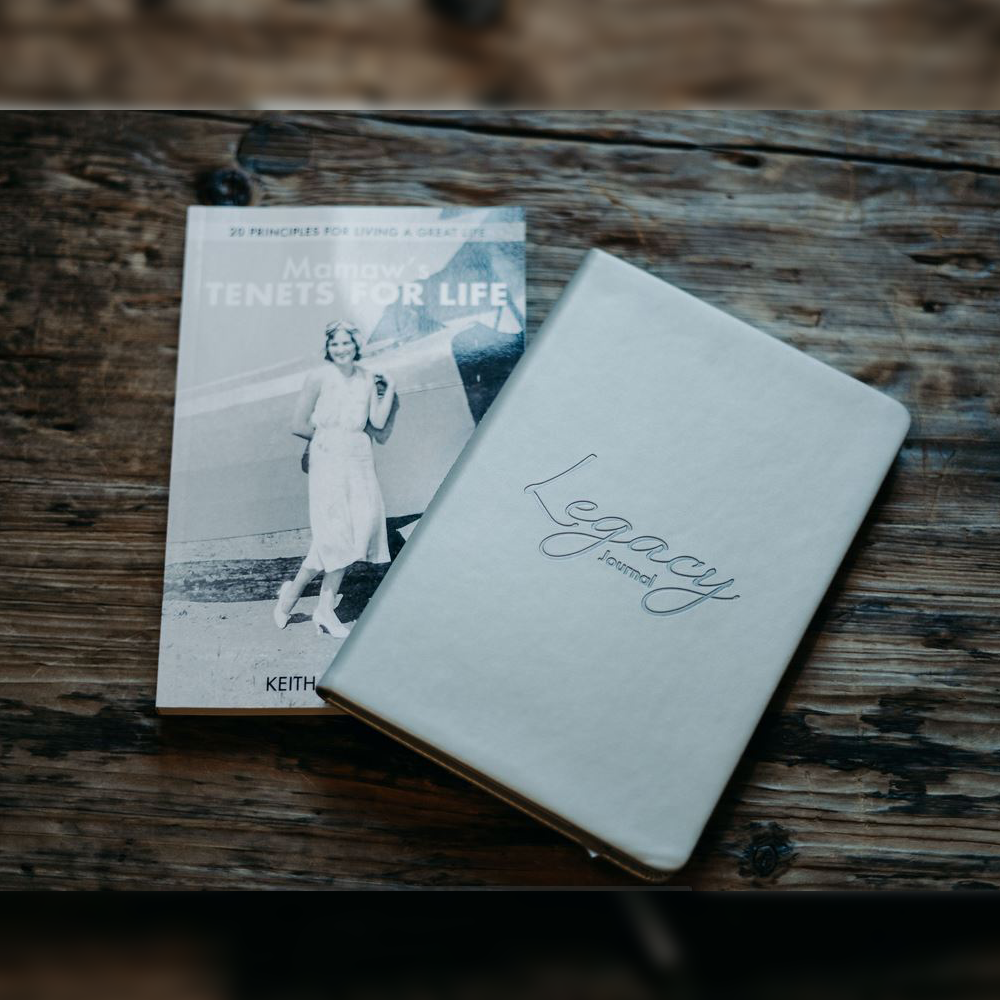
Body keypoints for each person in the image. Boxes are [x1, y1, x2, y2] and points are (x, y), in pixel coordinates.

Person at [273, 320, 396, 638]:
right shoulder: (318, 377)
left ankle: (289, 596)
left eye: (346, 343)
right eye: (335, 344)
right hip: (328, 458)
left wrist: (390, 388)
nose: (341, 349)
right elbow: (298, 424)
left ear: (356, 346)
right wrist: (327, 442)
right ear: (328, 348)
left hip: (359, 457)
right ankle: (325, 611)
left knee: (360, 526)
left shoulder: (367, 378)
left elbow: (377, 422)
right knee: (337, 533)